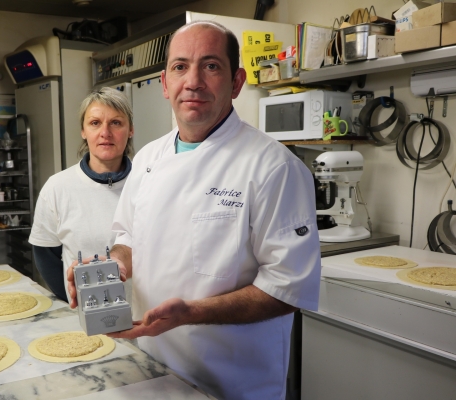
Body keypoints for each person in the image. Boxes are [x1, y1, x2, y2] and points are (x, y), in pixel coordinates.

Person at [68, 21, 321, 399]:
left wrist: (193, 313)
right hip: (153, 367)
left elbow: (287, 289)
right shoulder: (151, 157)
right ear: (164, 83)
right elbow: (128, 237)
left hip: (232, 381)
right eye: (180, 66)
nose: (194, 81)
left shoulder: (273, 168)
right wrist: (114, 266)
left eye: (211, 66)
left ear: (236, 82)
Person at [29, 87, 134, 302]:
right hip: (84, 322)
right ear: (83, 131)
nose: (105, 132)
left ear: (130, 130)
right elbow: (45, 256)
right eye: (95, 123)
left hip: (146, 319)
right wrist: (76, 303)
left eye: (116, 122)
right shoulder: (58, 188)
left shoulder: (148, 183)